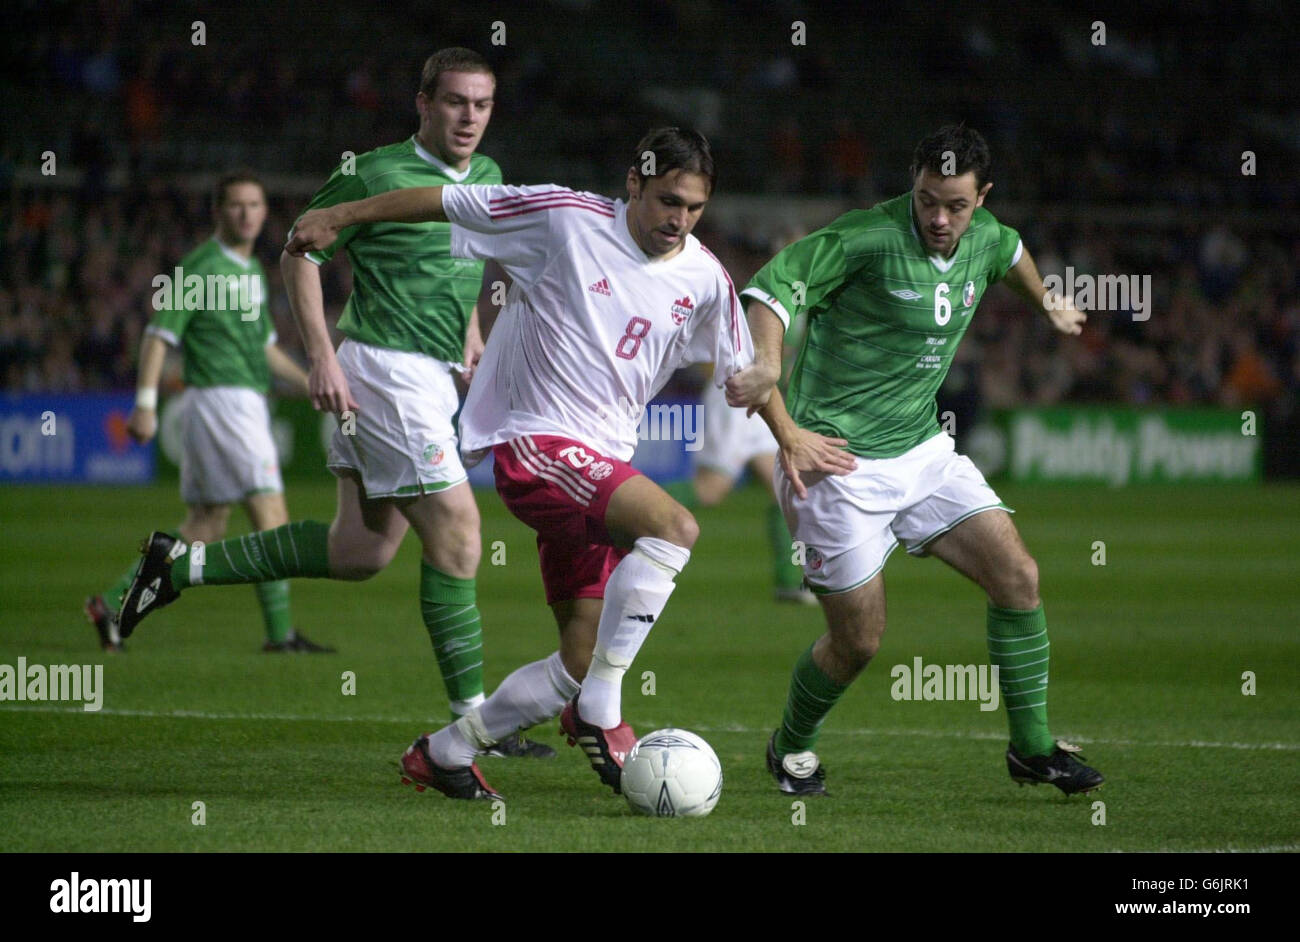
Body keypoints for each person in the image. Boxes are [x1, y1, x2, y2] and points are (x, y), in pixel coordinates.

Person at [285, 126, 759, 800]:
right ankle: (601, 708)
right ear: (634, 183)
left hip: (598, 462)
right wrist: (341, 213)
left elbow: (747, 365)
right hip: (537, 445)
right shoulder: (563, 218)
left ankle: (445, 752)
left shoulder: (704, 275)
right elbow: (445, 201)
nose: (677, 219)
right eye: (666, 201)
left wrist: (788, 432)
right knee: (674, 529)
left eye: (692, 208)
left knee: (579, 657)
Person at [116, 48, 552, 758]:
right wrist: (319, 355)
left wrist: (470, 332)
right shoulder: (373, 172)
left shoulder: (491, 175)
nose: (469, 117)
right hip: (383, 372)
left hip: (428, 373)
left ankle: (177, 566)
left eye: (482, 104)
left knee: (361, 549)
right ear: (423, 103)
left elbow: (466, 261)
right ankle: (477, 727)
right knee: (461, 536)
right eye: (454, 102)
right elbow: (299, 251)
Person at [733, 124, 1105, 797]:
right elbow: (768, 289)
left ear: (981, 197)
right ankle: (790, 745)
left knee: (1018, 576)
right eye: (928, 199)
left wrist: (1047, 301)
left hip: (924, 452)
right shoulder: (864, 238)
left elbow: (1012, 250)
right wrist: (767, 368)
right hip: (835, 464)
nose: (938, 217)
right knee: (860, 642)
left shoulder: (985, 235)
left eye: (956, 205)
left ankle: (1032, 749)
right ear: (913, 183)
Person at [85, 171, 332, 654]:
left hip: (233, 404)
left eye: (255, 205)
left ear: (265, 212)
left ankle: (111, 602)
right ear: (218, 211)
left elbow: (265, 349)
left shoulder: (253, 272)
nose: (246, 214)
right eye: (236, 205)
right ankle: (280, 636)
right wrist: (144, 404)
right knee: (272, 520)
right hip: (224, 403)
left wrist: (313, 382)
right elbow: (159, 336)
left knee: (206, 525)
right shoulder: (200, 269)